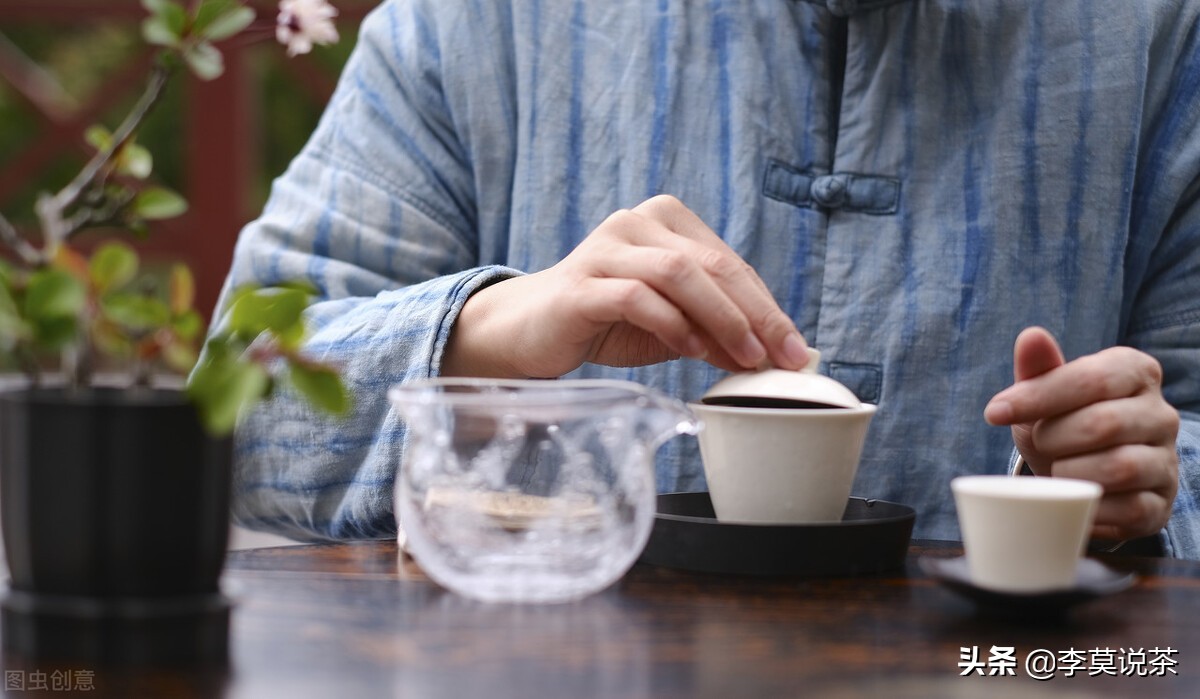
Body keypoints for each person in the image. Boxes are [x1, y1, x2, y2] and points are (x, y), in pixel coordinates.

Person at [215, 0, 1200, 556]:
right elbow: (234, 410)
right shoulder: (477, 26)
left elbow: (1184, 442)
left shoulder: (1160, 39)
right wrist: (488, 329)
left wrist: (1124, 488)